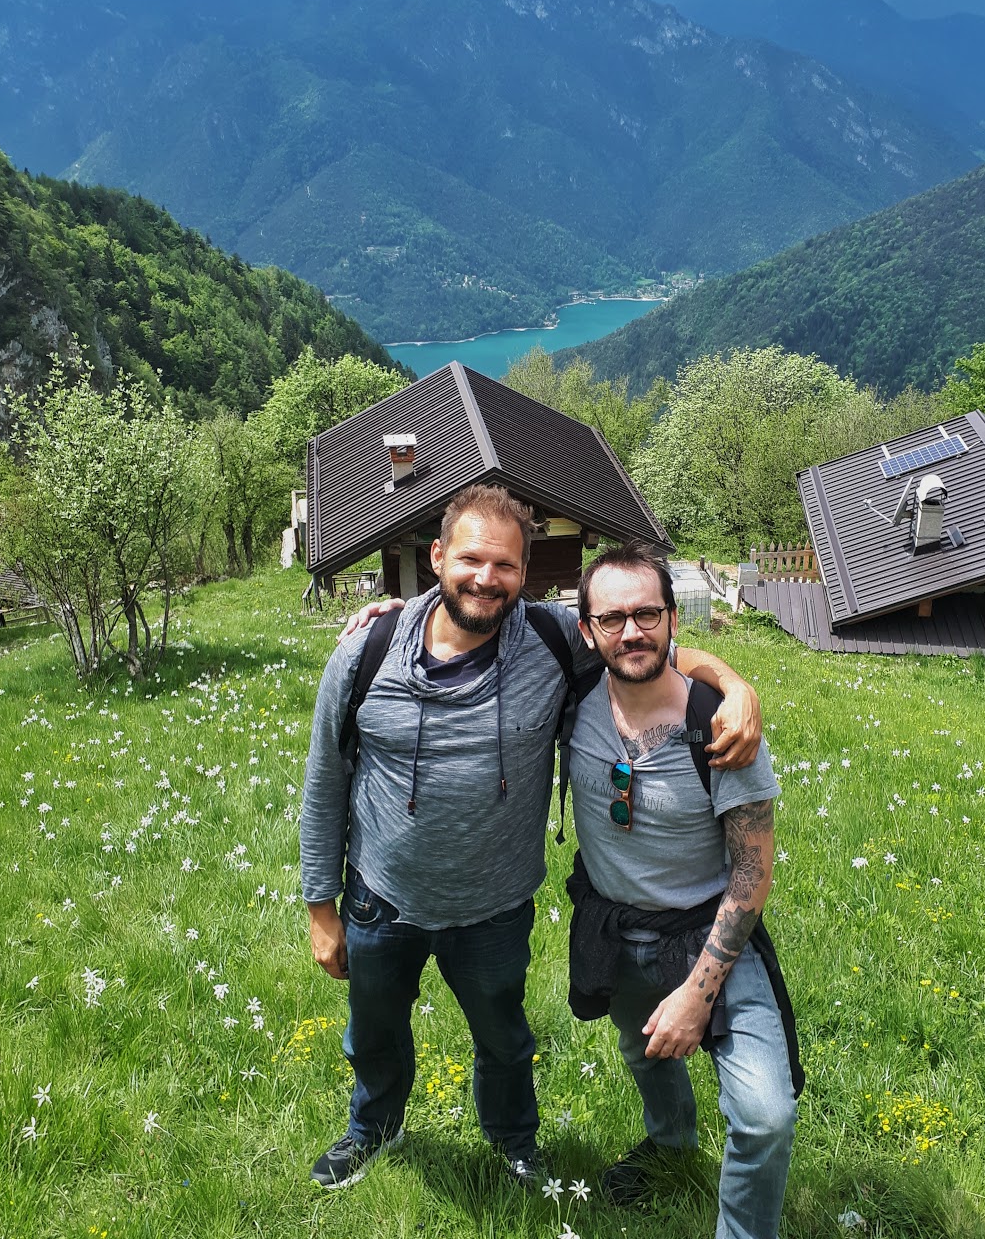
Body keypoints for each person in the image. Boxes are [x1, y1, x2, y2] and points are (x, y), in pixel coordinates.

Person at [300, 484, 762, 1191]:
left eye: (506, 565)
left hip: (495, 906)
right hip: (380, 898)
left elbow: (641, 644)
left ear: (524, 573)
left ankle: (515, 1142)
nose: (487, 578)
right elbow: (325, 780)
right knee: (374, 1034)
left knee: (504, 1041)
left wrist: (734, 685)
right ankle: (373, 1130)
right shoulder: (368, 652)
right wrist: (320, 908)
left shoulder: (548, 640)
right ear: (436, 558)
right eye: (471, 560)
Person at [563, 539, 832, 1239]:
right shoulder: (572, 688)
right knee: (640, 1051)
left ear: (673, 621)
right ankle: (671, 1143)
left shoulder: (717, 724)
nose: (631, 630)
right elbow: (474, 602)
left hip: (710, 934)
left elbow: (752, 879)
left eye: (649, 612)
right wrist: (385, 613)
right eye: (613, 617)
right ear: (585, 630)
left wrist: (696, 992)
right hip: (611, 925)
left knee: (763, 1114)